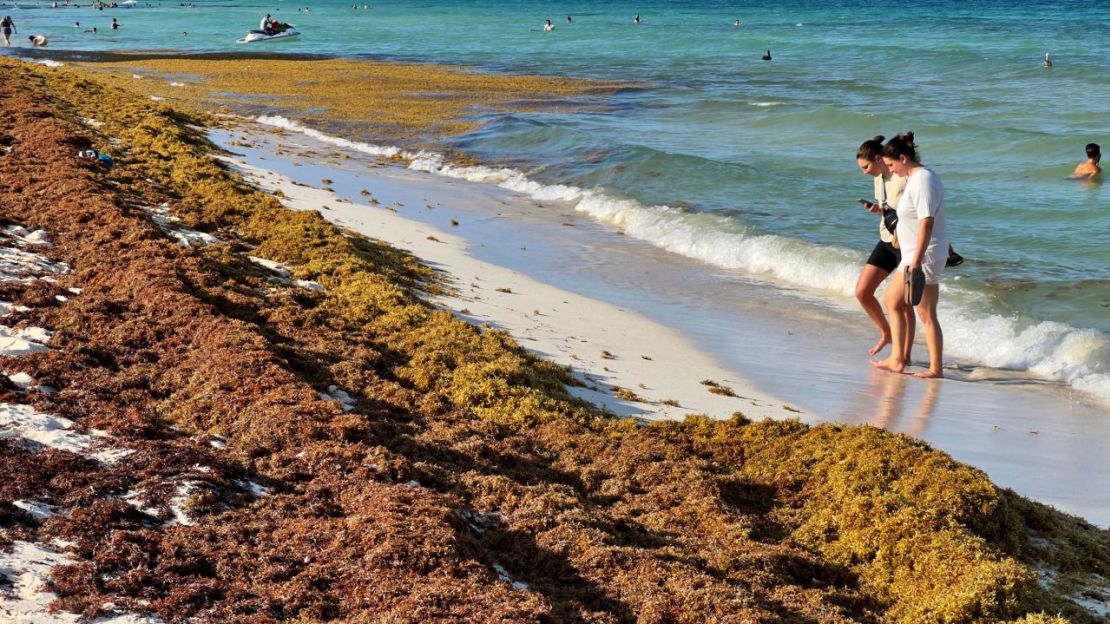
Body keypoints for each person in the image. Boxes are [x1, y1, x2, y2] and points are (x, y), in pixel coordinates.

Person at [872, 132, 949, 379]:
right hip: (916, 254)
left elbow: (927, 221)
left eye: (892, 165)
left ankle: (935, 368)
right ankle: (899, 358)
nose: (891, 171)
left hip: (921, 257)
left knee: (926, 314)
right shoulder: (919, 178)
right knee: (894, 301)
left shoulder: (923, 180)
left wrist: (916, 261)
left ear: (903, 158)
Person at [855, 135, 915, 359]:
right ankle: (887, 333)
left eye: (866, 166)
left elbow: (913, 209)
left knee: (904, 305)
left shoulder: (902, 177)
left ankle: (905, 354)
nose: (864, 172)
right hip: (887, 240)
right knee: (862, 292)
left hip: (906, 244)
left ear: (879, 158)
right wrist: (878, 211)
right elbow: (890, 209)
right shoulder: (878, 178)